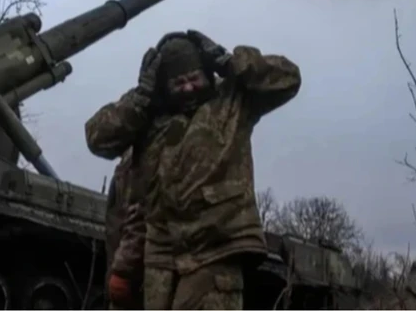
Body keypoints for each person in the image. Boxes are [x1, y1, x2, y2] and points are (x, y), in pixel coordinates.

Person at [85, 30, 301, 310]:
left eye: (194, 78)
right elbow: (98, 138)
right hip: (161, 258)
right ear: (164, 86)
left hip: (216, 249)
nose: (188, 88)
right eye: (178, 83)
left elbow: (288, 78)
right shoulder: (148, 113)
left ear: (207, 73)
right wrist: (140, 98)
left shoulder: (232, 100)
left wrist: (230, 62)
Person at [104, 147, 144, 309]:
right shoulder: (128, 163)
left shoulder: (135, 162)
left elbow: (138, 217)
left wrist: (122, 270)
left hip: (133, 277)